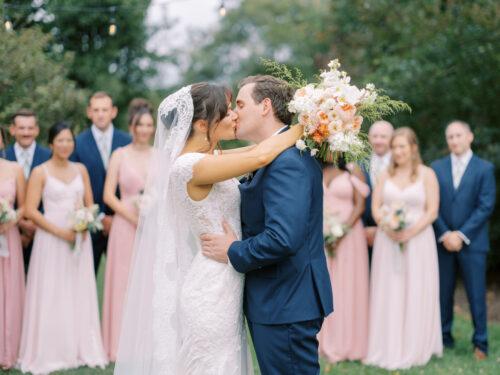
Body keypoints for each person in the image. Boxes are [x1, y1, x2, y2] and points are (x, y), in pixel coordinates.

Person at [115, 82, 303, 374]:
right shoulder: (189, 166)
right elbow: (260, 157)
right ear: (203, 124)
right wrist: (308, 126)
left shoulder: (208, 159)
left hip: (224, 277)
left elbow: (259, 147)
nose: (234, 117)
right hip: (211, 285)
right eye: (226, 113)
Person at [200, 75, 333, 375]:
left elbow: (283, 237)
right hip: (278, 299)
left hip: (286, 300)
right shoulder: (271, 155)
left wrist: (234, 250)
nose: (235, 112)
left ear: (265, 106)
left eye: (242, 104)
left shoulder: (288, 161)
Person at [18, 122, 107, 374]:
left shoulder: (81, 169)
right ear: (50, 143)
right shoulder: (40, 172)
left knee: (77, 290)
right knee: (52, 291)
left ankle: (80, 346)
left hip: (79, 238)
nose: (65, 145)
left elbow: (92, 206)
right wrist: (59, 232)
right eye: (60, 140)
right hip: (50, 240)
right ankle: (52, 349)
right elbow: (30, 210)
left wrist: (84, 222)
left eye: (69, 140)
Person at [364, 127, 442, 370]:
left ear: (413, 148)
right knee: (390, 290)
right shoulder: (385, 175)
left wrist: (409, 231)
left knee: (416, 288)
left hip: (418, 241)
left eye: (402, 146)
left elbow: (432, 211)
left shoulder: (427, 174)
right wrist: (386, 226)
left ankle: (416, 344)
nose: (397, 151)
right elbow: (376, 207)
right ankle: (387, 344)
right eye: (394, 147)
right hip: (388, 241)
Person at [431, 120, 496, 360]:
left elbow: (486, 206)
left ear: (470, 137)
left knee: (476, 294)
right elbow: (432, 204)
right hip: (443, 241)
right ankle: (444, 339)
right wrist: (446, 233)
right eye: (450, 137)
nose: (454, 140)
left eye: (458, 135)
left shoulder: (484, 168)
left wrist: (461, 234)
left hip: (473, 243)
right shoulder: (436, 168)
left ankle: (481, 343)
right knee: (443, 293)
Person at [102, 99, 155, 361]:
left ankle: (146, 342)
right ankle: (117, 345)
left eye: (149, 125)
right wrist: (133, 218)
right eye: (140, 124)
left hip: (152, 229)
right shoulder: (119, 155)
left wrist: (150, 216)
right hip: (125, 227)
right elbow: (108, 196)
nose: (144, 129)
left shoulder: (160, 156)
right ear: (131, 126)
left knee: (149, 284)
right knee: (122, 284)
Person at [71, 92, 132, 274]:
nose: (100, 114)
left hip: (122, 222)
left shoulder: (127, 141)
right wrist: (98, 217)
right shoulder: (77, 143)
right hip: (89, 224)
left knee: (124, 277)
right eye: (96, 110)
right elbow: (74, 185)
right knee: (86, 279)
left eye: (105, 110)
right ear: (89, 112)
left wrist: (116, 217)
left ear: (113, 112)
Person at [318, 157, 370, 366]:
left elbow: (360, 206)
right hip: (322, 238)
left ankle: (351, 343)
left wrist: (341, 233)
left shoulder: (352, 169)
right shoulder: (316, 168)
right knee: (327, 288)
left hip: (349, 237)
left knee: (348, 288)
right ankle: (324, 341)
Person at [5, 109, 51, 271]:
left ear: (37, 130)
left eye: (30, 128)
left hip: (42, 230)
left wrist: (34, 226)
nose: (26, 132)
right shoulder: (3, 156)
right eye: (21, 128)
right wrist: (21, 225)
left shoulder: (50, 156)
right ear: (12, 130)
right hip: (8, 230)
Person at [0, 128, 26, 370]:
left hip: (9, 236)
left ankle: (9, 348)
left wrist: (10, 220)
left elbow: (24, 206)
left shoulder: (15, 168)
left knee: (10, 290)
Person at [362, 120, 394, 250]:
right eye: (374, 136)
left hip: (394, 230)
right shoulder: (359, 164)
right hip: (365, 234)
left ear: (392, 138)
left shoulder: (400, 164)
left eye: (383, 137)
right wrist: (365, 227)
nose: (378, 141)